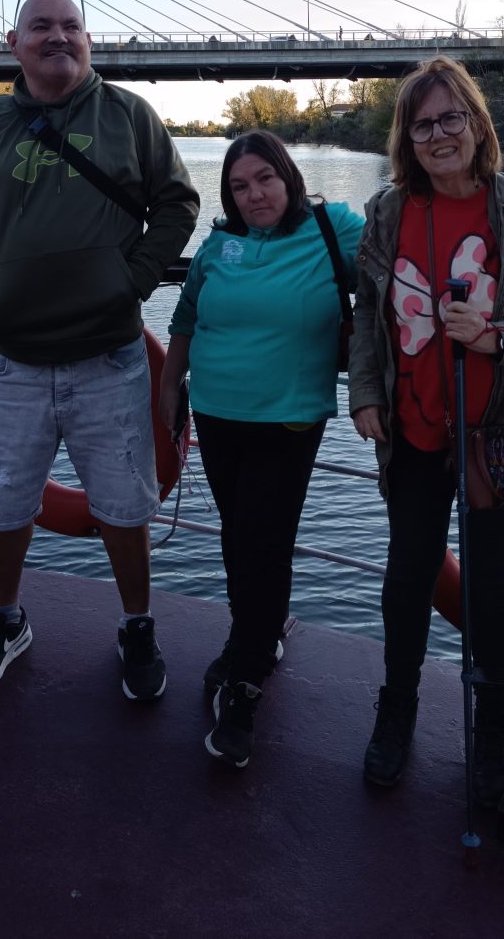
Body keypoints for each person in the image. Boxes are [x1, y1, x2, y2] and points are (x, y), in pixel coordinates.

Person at [0, 0, 199, 699]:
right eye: (41, 25)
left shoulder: (129, 116)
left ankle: (136, 625)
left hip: (109, 359)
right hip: (11, 362)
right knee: (5, 504)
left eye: (71, 26)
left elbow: (178, 203)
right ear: (13, 44)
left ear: (88, 40)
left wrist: (131, 279)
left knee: (125, 506)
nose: (58, 36)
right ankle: (2, 620)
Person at [348, 56, 504, 802]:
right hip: (414, 429)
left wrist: (498, 336)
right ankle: (397, 710)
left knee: (494, 586)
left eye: (451, 117)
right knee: (406, 577)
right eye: (422, 125)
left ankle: (492, 732)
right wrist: (365, 393)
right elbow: (368, 315)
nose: (439, 134)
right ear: (406, 139)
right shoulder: (389, 212)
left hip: (498, 429)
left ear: (478, 124)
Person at [159, 130, 364, 769]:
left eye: (265, 179)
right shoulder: (220, 243)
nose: (254, 195)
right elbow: (186, 317)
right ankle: (253, 638)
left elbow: (405, 266)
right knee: (236, 537)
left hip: (289, 419)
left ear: (289, 176)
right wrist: (168, 387)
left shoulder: (334, 229)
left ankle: (244, 690)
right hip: (216, 413)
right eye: (240, 187)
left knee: (263, 543)